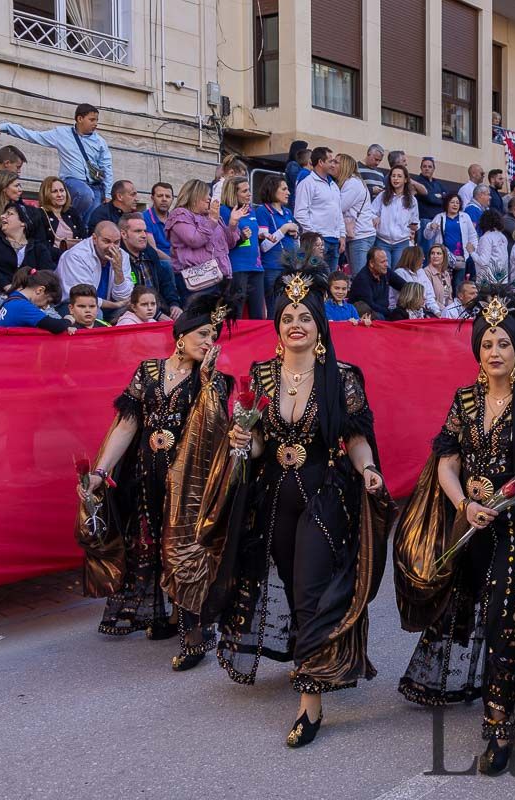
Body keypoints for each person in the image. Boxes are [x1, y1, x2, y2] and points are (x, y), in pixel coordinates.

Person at [392, 288, 515, 775]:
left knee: (505, 614)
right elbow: (447, 463)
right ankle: (504, 703)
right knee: (473, 607)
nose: (494, 352)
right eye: (486, 344)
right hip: (474, 523)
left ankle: (501, 727)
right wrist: (464, 504)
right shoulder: (465, 399)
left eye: (502, 343)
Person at [221, 263, 390, 748]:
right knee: (297, 594)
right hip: (274, 499)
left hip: (323, 497)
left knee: (313, 589)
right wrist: (241, 438)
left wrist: (368, 469)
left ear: (320, 326)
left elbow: (355, 438)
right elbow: (254, 449)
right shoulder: (260, 376)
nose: (295, 322)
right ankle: (311, 658)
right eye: (287, 315)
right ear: (277, 326)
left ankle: (310, 704)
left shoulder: (341, 377)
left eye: (305, 316)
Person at [77, 284, 237, 668]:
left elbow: (215, 429)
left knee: (184, 549)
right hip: (146, 477)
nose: (209, 341)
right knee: (149, 545)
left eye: (213, 336)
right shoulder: (147, 371)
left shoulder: (214, 380)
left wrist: (209, 380)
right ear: (181, 338)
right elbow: (127, 425)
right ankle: (166, 616)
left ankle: (193, 634)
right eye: (202, 334)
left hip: (189, 483)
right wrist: (102, 471)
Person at [0, 103, 113, 224]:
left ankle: (77, 230)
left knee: (91, 220)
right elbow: (34, 136)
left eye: (96, 120)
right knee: (85, 195)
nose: (95, 124)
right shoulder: (62, 134)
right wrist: (6, 127)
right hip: (73, 182)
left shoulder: (100, 142)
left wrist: (108, 193)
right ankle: (67, 221)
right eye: (92, 120)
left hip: (95, 186)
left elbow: (106, 168)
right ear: (80, 119)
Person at [165, 179, 242, 297]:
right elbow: (194, 240)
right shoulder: (180, 214)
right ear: (194, 197)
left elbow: (229, 244)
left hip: (220, 277)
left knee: (219, 315)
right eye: (205, 195)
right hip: (197, 281)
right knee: (199, 315)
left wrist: (233, 224)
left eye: (209, 195)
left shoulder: (211, 216)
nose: (209, 199)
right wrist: (211, 221)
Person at [56, 221, 134, 321]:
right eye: (106, 241)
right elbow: (82, 296)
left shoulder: (122, 256)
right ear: (94, 239)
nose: (112, 247)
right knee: (95, 313)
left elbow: (123, 297)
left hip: (108, 305)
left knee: (135, 309)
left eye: (116, 242)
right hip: (71, 305)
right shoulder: (76, 256)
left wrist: (118, 270)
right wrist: (114, 305)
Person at [217, 177, 265, 319]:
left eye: (249, 190)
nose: (249, 194)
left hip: (256, 267)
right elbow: (223, 241)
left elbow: (253, 237)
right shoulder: (224, 211)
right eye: (245, 191)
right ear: (233, 193)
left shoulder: (251, 210)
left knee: (258, 315)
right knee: (235, 313)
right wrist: (241, 238)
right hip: (237, 268)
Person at [0, 204, 55, 293]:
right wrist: (6, 285)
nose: (2, 216)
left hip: (28, 297)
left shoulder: (38, 248)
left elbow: (47, 275)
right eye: (4, 213)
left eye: (9, 214)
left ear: (24, 222)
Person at [119, 213, 182, 319]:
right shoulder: (120, 258)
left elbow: (165, 283)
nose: (144, 235)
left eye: (144, 231)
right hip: (133, 311)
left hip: (156, 305)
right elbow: (128, 298)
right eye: (138, 231)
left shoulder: (149, 252)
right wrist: (157, 315)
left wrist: (174, 304)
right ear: (124, 234)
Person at [293, 147, 345, 269]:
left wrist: (342, 235)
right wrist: (315, 236)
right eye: (330, 161)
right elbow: (300, 213)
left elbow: (338, 212)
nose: (334, 165)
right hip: (317, 242)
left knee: (331, 282)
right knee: (315, 278)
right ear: (321, 162)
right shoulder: (307, 183)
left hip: (334, 240)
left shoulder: (333, 185)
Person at [254, 174, 299, 312]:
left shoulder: (287, 212)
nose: (288, 192)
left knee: (292, 308)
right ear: (273, 190)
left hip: (291, 267)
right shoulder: (262, 211)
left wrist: (296, 233)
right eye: (284, 189)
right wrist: (284, 229)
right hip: (273, 268)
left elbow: (295, 239)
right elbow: (264, 246)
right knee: (275, 309)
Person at [0, 170, 49, 245]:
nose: (20, 190)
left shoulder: (28, 212)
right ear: (3, 188)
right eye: (16, 186)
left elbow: (41, 243)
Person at [0, 267, 74, 333]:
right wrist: (68, 319)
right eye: (47, 301)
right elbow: (57, 326)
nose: (44, 307)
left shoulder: (11, 300)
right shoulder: (22, 306)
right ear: (40, 290)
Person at [425, 193, 477, 292]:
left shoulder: (465, 217)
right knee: (445, 286)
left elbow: (473, 235)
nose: (455, 205)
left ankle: (457, 305)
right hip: (444, 259)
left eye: (457, 203)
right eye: (452, 202)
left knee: (458, 286)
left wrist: (473, 251)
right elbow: (427, 236)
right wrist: (430, 227)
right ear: (447, 204)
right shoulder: (439, 217)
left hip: (461, 258)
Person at [335, 153, 376, 275]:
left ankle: (363, 295)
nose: (333, 165)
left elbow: (339, 206)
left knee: (359, 276)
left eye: (336, 162)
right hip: (357, 235)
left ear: (345, 166)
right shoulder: (351, 182)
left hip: (360, 235)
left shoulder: (352, 183)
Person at [370, 165, 419, 266]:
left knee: (398, 272)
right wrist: (375, 218)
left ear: (405, 179)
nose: (395, 178)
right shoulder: (383, 195)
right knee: (384, 270)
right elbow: (371, 211)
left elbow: (415, 220)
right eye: (393, 176)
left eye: (399, 176)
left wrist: (414, 226)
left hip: (402, 242)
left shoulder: (412, 200)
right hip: (382, 240)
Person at [346, 246, 407, 320]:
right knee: (378, 316)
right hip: (365, 314)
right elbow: (370, 305)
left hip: (383, 311)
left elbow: (405, 286)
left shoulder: (386, 271)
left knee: (403, 314)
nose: (386, 264)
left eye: (386, 261)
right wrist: (390, 312)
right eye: (382, 262)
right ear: (371, 263)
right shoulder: (362, 279)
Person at [38, 175, 88, 262]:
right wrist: (66, 256)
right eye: (54, 191)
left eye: (62, 190)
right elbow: (42, 246)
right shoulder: (40, 214)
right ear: (46, 194)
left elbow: (84, 238)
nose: (59, 195)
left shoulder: (72, 212)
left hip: (76, 261)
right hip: (53, 262)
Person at [391, 245, 441, 317]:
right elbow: (405, 299)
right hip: (403, 311)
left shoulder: (421, 272)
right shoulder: (399, 273)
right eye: (421, 257)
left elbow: (429, 295)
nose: (423, 259)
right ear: (413, 258)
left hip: (418, 310)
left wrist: (436, 311)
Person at [413, 157, 445, 250]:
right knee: (427, 250)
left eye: (430, 167)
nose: (427, 168)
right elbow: (430, 198)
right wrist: (438, 197)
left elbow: (447, 197)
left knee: (438, 250)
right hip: (425, 221)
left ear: (433, 169)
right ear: (421, 168)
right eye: (424, 166)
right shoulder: (418, 182)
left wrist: (438, 196)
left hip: (438, 221)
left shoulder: (438, 183)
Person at [142, 182, 174, 262]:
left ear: (172, 199)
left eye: (168, 196)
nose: (164, 199)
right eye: (160, 196)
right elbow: (154, 250)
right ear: (152, 198)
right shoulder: (145, 217)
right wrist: (175, 264)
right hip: (157, 262)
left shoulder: (174, 219)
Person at [422, 244, 453, 312]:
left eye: (438, 253)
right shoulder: (426, 272)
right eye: (432, 253)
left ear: (444, 257)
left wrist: (451, 310)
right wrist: (445, 310)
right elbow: (429, 298)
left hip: (446, 311)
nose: (435, 256)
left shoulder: (446, 274)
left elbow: (449, 297)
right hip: (433, 311)